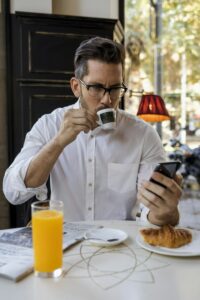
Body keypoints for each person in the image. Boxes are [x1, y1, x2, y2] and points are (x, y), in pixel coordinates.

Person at [3, 37, 182, 225]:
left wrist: (165, 212)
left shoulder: (143, 134)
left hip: (122, 246)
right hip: (64, 243)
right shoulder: (50, 125)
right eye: (96, 87)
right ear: (76, 87)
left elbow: (154, 214)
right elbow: (13, 192)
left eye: (114, 89)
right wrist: (58, 142)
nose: (107, 99)